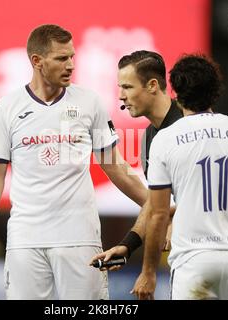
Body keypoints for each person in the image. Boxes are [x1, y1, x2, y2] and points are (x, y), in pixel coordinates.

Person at [0, 24, 147, 300]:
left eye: (72, 57)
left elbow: (116, 168)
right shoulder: (6, 108)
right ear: (37, 61)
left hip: (80, 238)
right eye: (62, 58)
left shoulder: (90, 103)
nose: (71, 65)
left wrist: (157, 206)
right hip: (26, 240)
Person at [132, 54, 228, 300]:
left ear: (176, 93)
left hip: (193, 261)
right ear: (216, 91)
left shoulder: (164, 140)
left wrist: (149, 272)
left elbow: (158, 213)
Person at [90, 50, 182, 268]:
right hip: (186, 255)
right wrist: (128, 245)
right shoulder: (149, 137)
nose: (121, 95)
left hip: (214, 248)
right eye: (120, 87)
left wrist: (178, 218)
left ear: (152, 85)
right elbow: (156, 201)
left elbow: (210, 191)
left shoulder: (191, 122)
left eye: (128, 87)